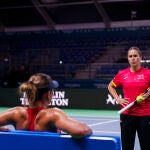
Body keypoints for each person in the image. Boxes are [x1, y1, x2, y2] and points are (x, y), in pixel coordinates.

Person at [0, 73, 92, 138]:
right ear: (49, 94)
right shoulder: (52, 115)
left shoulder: (16, 113)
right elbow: (81, 130)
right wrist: (86, 128)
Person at [108, 46, 150, 150]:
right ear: (128, 59)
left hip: (145, 115)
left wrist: (148, 95)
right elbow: (110, 86)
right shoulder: (122, 74)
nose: (133, 58)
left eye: (135, 56)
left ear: (140, 57)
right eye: (130, 56)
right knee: (127, 147)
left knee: (147, 146)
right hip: (127, 114)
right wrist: (117, 98)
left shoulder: (148, 73)